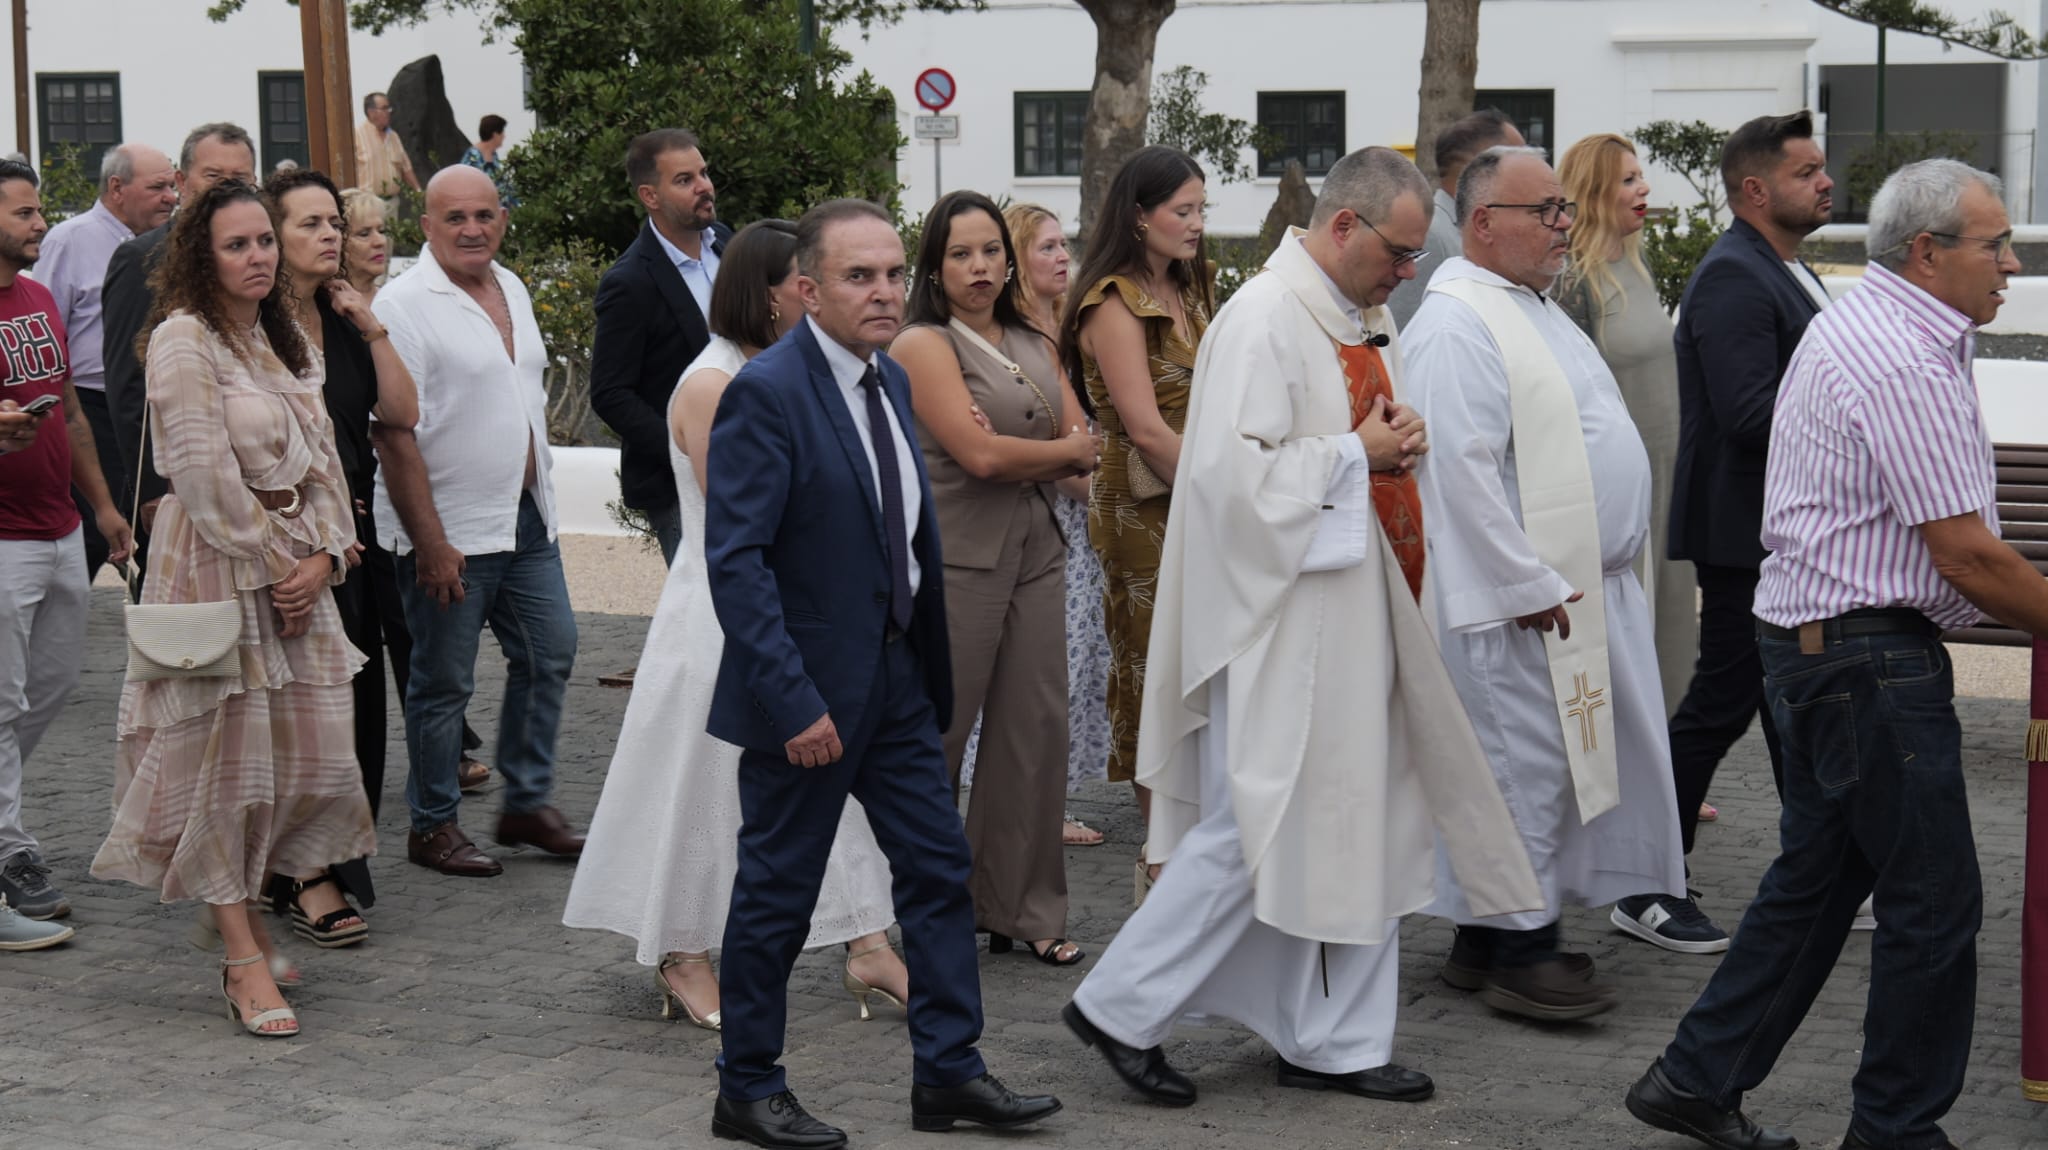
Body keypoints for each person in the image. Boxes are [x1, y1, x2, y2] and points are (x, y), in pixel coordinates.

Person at [1064, 145, 1540, 1110]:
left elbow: (1366, 441)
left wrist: (1396, 443)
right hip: (1286, 617)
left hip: (1365, 605)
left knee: (1358, 822)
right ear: (1342, 226)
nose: (1406, 273)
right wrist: (1351, 454)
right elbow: (1223, 479)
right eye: (1399, 253)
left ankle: (1330, 1038)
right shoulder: (1264, 319)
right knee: (1266, 824)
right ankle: (1119, 1006)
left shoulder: (1358, 313)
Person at [1625, 157, 2044, 1150]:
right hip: (1863, 663)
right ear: (1926, 251)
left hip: (1824, 650)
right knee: (1932, 904)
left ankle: (1694, 1074)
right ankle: (1893, 1128)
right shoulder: (1898, 352)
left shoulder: (1870, 324)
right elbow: (1967, 555)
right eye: (1994, 244)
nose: (2011, 263)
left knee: (1814, 887)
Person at [702, 198, 1060, 1148]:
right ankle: (747, 1086)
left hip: (900, 680)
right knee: (778, 893)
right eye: (860, 277)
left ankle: (948, 1072)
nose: (885, 291)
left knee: (939, 872)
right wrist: (791, 699)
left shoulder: (890, 379)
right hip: (809, 698)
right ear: (809, 290)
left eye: (895, 273)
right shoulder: (768, 392)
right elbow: (736, 564)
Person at [562, 219, 910, 1032]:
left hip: (805, 613)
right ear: (771, 292)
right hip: (727, 618)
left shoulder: (794, 371)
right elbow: (751, 517)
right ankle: (683, 951)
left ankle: (867, 940)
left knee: (834, 774)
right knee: (704, 788)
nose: (819, 293)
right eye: (806, 280)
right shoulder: (714, 383)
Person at [1403, 146, 1685, 1022]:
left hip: (1567, 596)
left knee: (1548, 770)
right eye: (1547, 212)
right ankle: (1526, 951)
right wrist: (1527, 584)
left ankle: (1482, 939)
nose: (1567, 226)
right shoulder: (1457, 323)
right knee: (1518, 771)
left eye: (1566, 210)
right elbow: (1460, 475)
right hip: (1515, 606)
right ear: (1483, 223)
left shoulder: (1525, 305)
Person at [89, 179, 374, 1038]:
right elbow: (203, 479)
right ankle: (245, 959)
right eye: (236, 244)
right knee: (220, 769)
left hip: (295, 575)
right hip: (216, 571)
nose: (256, 256)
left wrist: (321, 557)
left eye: (261, 241)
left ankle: (244, 909)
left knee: (305, 765)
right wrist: (280, 562)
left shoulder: (284, 339)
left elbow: (326, 464)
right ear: (199, 257)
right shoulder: (181, 339)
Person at [894, 190, 1099, 965]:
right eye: (960, 254)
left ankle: (1021, 909)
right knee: (938, 738)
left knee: (1034, 731)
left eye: (989, 252)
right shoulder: (924, 344)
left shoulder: (1030, 339)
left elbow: (1083, 436)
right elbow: (985, 458)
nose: (979, 268)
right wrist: (1053, 452)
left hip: (1037, 550)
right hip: (958, 556)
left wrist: (1040, 448)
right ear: (935, 268)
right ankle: (917, 912)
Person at [1654, 110, 1839, 944]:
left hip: (1782, 532)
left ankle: (1823, 870)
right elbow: (1751, 414)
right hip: (1746, 534)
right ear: (1756, 190)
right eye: (1807, 173)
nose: (1826, 182)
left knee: (1785, 706)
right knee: (1723, 702)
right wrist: (1860, 431)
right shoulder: (1734, 274)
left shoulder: (1786, 267)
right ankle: (1648, 881)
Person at [371, 165, 584, 877]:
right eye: (454, 217)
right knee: (442, 683)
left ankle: (524, 803)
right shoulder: (403, 304)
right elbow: (393, 433)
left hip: (525, 517)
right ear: (426, 226)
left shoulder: (511, 286)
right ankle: (431, 824)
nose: (472, 229)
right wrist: (430, 542)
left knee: (551, 651)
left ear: (502, 220)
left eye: (484, 215)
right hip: (450, 528)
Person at [1552, 134, 1717, 953]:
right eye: (1628, 179)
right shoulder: (1575, 284)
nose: (1644, 190)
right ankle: (1638, 867)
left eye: (1644, 175)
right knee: (1628, 663)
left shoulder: (1637, 267)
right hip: (1619, 512)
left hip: (1666, 490)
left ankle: (1657, 821)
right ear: (1593, 190)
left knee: (1669, 654)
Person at [262, 166, 422, 942]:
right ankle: (303, 875)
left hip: (353, 544)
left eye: (335, 222)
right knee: (295, 720)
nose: (330, 236)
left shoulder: (344, 316)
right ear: (272, 239)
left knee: (354, 719)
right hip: (284, 549)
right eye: (310, 225)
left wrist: (371, 325)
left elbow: (400, 412)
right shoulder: (249, 328)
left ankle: (321, 862)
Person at [1057, 145, 1210, 900]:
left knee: (1202, 667)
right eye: (1183, 211)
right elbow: (1146, 430)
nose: (1196, 224)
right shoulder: (1112, 303)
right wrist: (1231, 495)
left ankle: (1201, 844)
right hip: (1146, 511)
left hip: (1202, 497)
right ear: (1139, 215)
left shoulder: (1190, 287)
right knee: (1153, 674)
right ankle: (1160, 857)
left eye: (1201, 210)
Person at [0, 158, 133, 930]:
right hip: (4, 541)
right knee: (3, 701)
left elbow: (74, 419)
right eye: (22, 213)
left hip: (60, 527)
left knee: (41, 694)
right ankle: (11, 852)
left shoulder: (39, 297)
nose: (39, 223)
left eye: (37, 210)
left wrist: (105, 509)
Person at [338, 181, 492, 794]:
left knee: (411, 625)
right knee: (394, 624)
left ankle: (446, 743)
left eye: (382, 231)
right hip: (364, 487)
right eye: (362, 232)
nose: (377, 242)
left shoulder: (401, 299)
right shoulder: (334, 311)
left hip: (411, 482)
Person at [102, 123, 258, 595]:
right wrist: (151, 488)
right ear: (182, 181)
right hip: (177, 487)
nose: (229, 188)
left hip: (256, 479)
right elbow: (130, 384)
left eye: (242, 179)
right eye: (214, 176)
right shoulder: (142, 259)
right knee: (189, 634)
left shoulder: (267, 255)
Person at [1004, 200, 1106, 846]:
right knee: (1052, 662)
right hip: (1054, 506)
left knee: (1083, 656)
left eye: (1063, 243)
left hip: (1084, 497)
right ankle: (1034, 803)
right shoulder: (1015, 335)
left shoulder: (1069, 322)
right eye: (1045, 247)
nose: (1062, 255)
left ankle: (1050, 793)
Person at [590, 128, 731, 566]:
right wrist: (684, 449)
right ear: (650, 196)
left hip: (752, 461)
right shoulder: (629, 282)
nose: (704, 186)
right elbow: (610, 393)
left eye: (703, 173)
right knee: (707, 614)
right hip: (680, 485)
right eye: (685, 180)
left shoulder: (727, 244)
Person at [36, 142, 175, 581]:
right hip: (93, 410)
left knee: (163, 539)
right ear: (117, 188)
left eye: (173, 185)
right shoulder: (69, 241)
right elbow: (46, 326)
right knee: (97, 535)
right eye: (158, 187)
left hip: (159, 406)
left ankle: (170, 637)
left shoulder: (173, 244)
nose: (171, 196)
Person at [1385, 108, 1525, 329]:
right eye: (1520, 161)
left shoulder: (1465, 230)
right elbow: (1403, 329)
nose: (1529, 170)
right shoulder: (1432, 235)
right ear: (1480, 167)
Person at [354, 92, 419, 211]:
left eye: (389, 108)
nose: (389, 112)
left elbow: (406, 168)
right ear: (371, 112)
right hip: (368, 205)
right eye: (384, 108)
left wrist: (418, 192)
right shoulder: (357, 136)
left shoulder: (393, 137)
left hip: (392, 204)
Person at [340, 187, 392, 298]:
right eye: (364, 234)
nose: (380, 242)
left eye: (381, 231)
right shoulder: (324, 306)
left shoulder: (394, 301)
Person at [459, 115, 516, 207]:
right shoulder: (472, 157)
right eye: (502, 133)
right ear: (495, 134)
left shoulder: (494, 155)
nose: (504, 136)